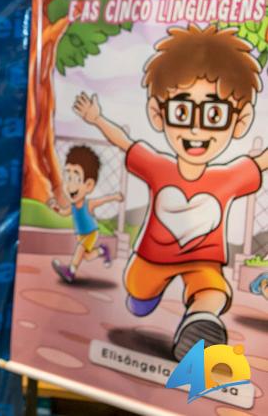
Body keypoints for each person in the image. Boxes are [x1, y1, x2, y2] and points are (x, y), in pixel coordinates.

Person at [73, 25, 267, 360]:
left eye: (214, 114)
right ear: (157, 113)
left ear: (241, 120)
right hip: (151, 259)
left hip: (202, 262)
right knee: (138, 296)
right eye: (182, 111)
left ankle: (200, 324)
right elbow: (126, 142)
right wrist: (98, 119)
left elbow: (261, 161)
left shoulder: (230, 176)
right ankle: (147, 298)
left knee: (213, 291)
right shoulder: (157, 166)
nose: (195, 128)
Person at [47, 145, 122, 283]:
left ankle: (71, 271)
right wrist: (55, 208)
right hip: (80, 234)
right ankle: (102, 251)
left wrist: (115, 197)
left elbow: (103, 200)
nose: (70, 186)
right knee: (86, 256)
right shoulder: (73, 206)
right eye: (67, 177)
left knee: (80, 248)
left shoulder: (89, 204)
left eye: (76, 179)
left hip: (91, 232)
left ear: (88, 185)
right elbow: (64, 213)